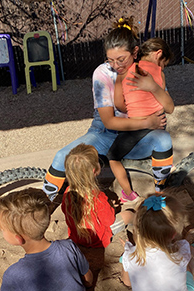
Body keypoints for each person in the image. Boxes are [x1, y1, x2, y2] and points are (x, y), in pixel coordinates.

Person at [42, 17, 174, 202]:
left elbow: (167, 108)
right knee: (63, 156)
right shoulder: (103, 73)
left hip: (138, 136)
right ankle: (43, 204)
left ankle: (161, 191)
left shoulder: (147, 71)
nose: (116, 65)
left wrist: (153, 87)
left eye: (121, 59)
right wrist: (147, 121)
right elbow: (109, 120)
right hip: (106, 133)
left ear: (135, 52)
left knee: (163, 139)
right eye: (110, 60)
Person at [109, 37, 175, 202]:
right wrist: (153, 88)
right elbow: (170, 108)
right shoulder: (160, 73)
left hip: (135, 129)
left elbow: (119, 105)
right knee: (162, 137)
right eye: (163, 63)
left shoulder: (124, 72)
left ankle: (128, 193)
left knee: (112, 156)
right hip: (158, 127)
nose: (162, 67)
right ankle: (160, 188)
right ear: (158, 54)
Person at [61, 144, 135, 248]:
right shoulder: (98, 195)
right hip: (98, 238)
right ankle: (140, 227)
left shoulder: (67, 193)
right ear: (94, 171)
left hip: (77, 237)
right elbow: (108, 220)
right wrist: (111, 208)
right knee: (129, 214)